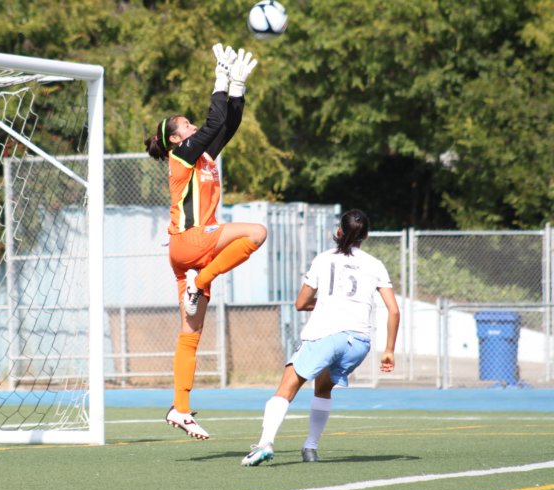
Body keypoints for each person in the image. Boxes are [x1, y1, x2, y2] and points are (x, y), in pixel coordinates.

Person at [144, 44, 267, 440]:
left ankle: (179, 409)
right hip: (192, 241)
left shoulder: (202, 156)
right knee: (257, 232)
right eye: (187, 125)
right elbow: (214, 124)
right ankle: (200, 282)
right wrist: (219, 81)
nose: (194, 126)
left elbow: (226, 125)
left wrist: (238, 89)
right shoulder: (181, 156)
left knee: (190, 335)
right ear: (175, 138)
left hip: (188, 252)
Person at [241, 209, 400, 465]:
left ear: (338, 232)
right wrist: (389, 350)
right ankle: (311, 447)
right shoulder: (375, 264)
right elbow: (394, 310)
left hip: (326, 335)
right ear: (367, 236)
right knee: (323, 389)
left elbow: (301, 303)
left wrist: (327, 303)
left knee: (285, 389)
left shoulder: (324, 259)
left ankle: (264, 443)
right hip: (358, 343)